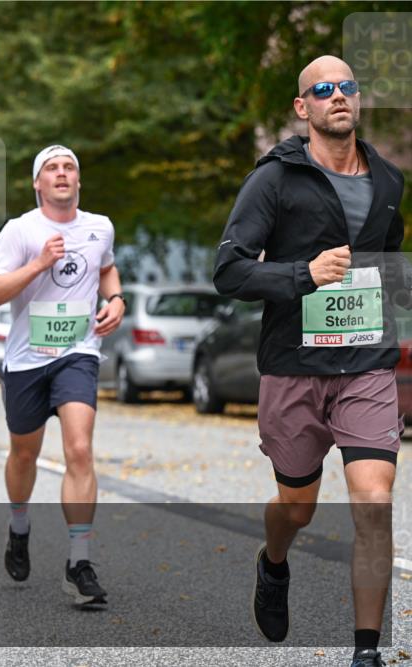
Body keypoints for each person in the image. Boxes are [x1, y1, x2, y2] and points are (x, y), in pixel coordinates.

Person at [213, 56, 406, 667]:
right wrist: (305, 273)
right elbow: (229, 271)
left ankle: (367, 652)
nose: (338, 96)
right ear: (304, 108)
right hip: (293, 365)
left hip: (367, 365)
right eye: (322, 90)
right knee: (296, 506)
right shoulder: (273, 179)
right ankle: (273, 564)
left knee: (374, 504)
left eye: (347, 86)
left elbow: (385, 262)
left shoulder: (390, 180)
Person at [0, 145, 125, 605]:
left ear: (78, 182)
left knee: (80, 449)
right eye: (52, 169)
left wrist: (116, 300)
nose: (62, 174)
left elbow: (106, 267)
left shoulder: (99, 226)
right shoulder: (20, 231)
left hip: (78, 352)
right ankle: (19, 525)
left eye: (69, 168)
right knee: (24, 455)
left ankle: (78, 561)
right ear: (37, 183)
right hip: (26, 360)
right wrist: (39, 263)